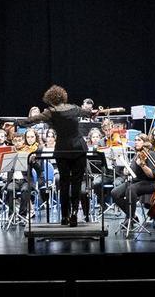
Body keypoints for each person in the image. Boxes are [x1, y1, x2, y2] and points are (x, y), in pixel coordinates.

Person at [18, 85, 99, 226]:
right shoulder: (74, 108)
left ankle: (64, 216)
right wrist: (94, 113)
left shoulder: (50, 112)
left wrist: (15, 123)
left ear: (50, 99)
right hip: (79, 149)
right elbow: (89, 113)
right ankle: (74, 213)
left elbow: (32, 120)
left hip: (62, 149)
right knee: (77, 183)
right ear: (63, 97)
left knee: (64, 183)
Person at [111, 134, 155, 225]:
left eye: (139, 140)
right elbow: (133, 171)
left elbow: (152, 175)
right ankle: (132, 215)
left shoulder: (150, 153)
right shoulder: (137, 153)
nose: (136, 142)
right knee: (114, 193)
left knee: (131, 189)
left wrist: (142, 165)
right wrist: (127, 171)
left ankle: (129, 218)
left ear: (145, 142)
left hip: (149, 183)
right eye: (135, 140)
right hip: (136, 181)